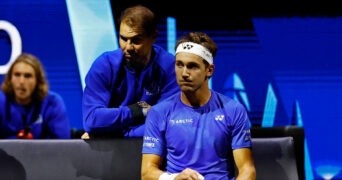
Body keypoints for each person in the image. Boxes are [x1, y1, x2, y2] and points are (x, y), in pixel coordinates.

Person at [141, 32, 256, 180]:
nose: (184, 73)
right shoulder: (159, 112)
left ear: (209, 70)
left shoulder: (234, 110)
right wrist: (175, 178)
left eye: (192, 66)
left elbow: (248, 171)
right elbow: (147, 172)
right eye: (179, 65)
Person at [82, 5, 179, 139]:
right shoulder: (104, 65)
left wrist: (114, 134)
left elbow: (165, 124)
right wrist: (137, 111)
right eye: (123, 38)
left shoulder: (169, 67)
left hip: (153, 150)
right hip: (113, 153)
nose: (127, 47)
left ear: (154, 36)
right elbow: (92, 120)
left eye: (136, 40)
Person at [0, 53, 70, 139]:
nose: (21, 81)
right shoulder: (1, 101)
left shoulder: (52, 103)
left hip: (43, 152)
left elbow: (62, 144)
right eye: (17, 75)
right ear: (10, 79)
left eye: (28, 76)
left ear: (38, 80)